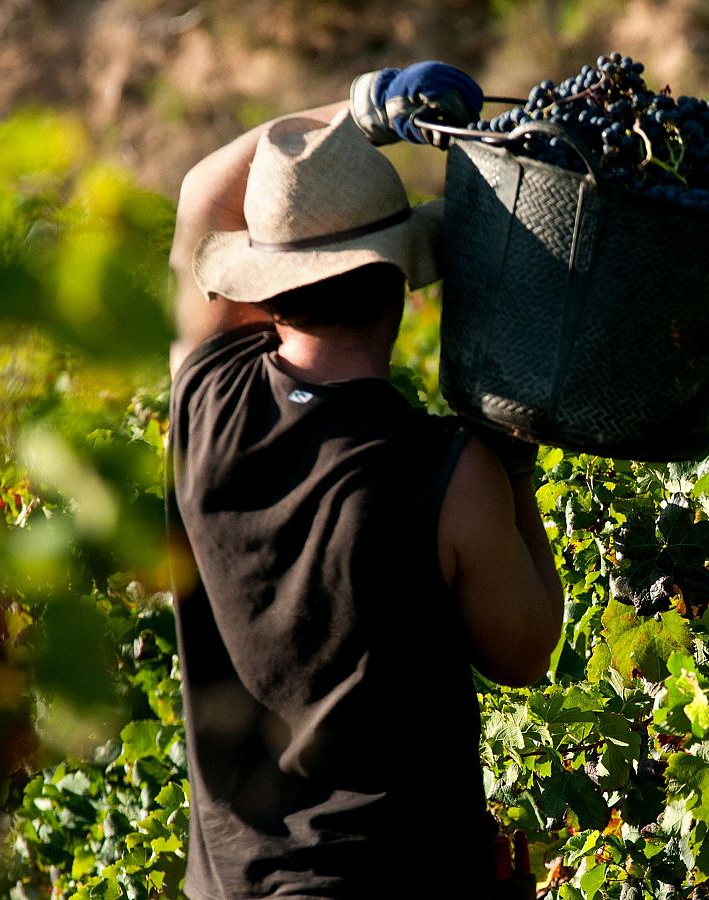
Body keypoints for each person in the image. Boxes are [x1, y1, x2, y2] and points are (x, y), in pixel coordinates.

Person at [165, 61, 564, 898]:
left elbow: (204, 191)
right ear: (403, 288)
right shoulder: (450, 472)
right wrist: (516, 465)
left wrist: (363, 109)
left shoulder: (205, 400)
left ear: (267, 289)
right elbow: (525, 650)